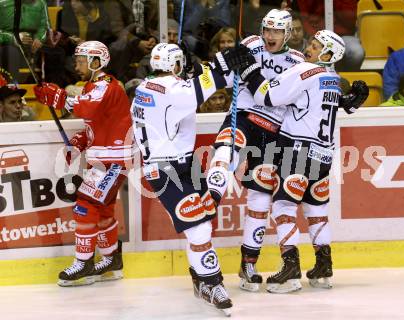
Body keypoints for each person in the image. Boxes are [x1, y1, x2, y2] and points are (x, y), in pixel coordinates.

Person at [233, 29, 368, 293]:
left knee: (283, 205)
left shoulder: (304, 70)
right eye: (312, 42)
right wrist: (350, 103)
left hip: (297, 151)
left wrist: (248, 70)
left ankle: (290, 268)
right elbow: (333, 105)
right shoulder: (332, 77)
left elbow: (267, 97)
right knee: (316, 211)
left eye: (317, 46)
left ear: (328, 54)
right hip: (324, 154)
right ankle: (323, 267)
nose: (310, 47)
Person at [131, 42, 249, 315]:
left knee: (203, 219)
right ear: (175, 65)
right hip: (166, 170)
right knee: (199, 228)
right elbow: (205, 87)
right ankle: (211, 283)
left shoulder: (146, 87)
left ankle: (199, 276)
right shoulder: (171, 91)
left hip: (183, 163)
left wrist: (199, 69)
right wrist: (222, 61)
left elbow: (184, 91)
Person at [205, 9, 305, 293]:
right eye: (267, 29)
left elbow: (280, 93)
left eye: (276, 31)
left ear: (288, 33)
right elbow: (219, 71)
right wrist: (213, 57)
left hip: (273, 130)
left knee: (260, 201)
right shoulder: (249, 44)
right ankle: (211, 197)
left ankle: (248, 264)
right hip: (244, 117)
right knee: (226, 152)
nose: (270, 36)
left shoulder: (297, 62)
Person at [33, 41, 132, 287]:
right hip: (103, 160)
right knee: (104, 209)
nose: (76, 65)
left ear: (96, 62)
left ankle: (84, 262)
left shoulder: (107, 85)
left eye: (80, 61)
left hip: (113, 160)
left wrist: (57, 97)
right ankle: (111, 260)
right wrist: (78, 145)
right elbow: (93, 126)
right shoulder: (91, 86)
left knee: (85, 205)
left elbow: (84, 107)